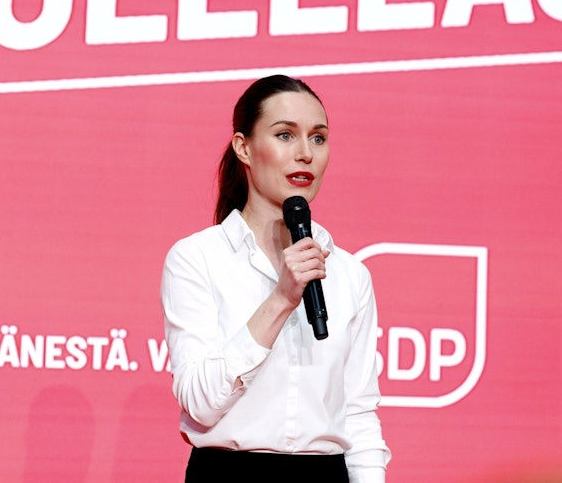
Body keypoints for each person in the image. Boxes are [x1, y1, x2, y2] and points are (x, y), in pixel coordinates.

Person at [160, 75, 391, 483]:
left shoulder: (350, 274)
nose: (305, 154)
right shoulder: (197, 259)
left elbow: (358, 413)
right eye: (285, 135)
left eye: (318, 138)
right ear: (243, 147)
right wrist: (281, 299)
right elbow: (199, 402)